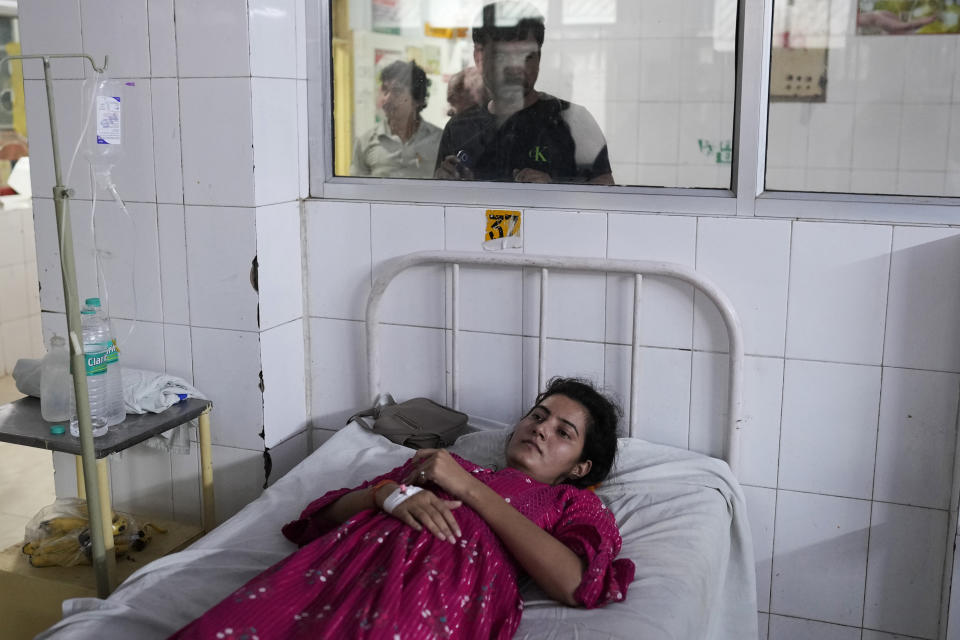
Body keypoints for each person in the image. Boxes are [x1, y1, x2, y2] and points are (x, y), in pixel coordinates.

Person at [169, 378, 635, 639]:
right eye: (537, 416)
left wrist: (469, 491)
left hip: (439, 591)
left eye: (562, 432)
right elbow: (320, 518)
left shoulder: (574, 503)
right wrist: (383, 495)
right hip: (340, 569)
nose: (540, 429)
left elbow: (576, 584)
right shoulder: (442, 462)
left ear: (580, 467)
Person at [435, 1, 614, 185]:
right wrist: (446, 185)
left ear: (539, 58)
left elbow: (605, 196)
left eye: (526, 57)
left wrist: (554, 191)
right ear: (479, 57)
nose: (515, 68)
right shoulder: (459, 129)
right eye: (503, 56)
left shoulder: (573, 122)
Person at [351, 60, 442, 179]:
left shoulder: (439, 139)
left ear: (417, 100)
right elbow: (357, 191)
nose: (386, 99)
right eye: (384, 89)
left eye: (397, 91)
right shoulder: (365, 142)